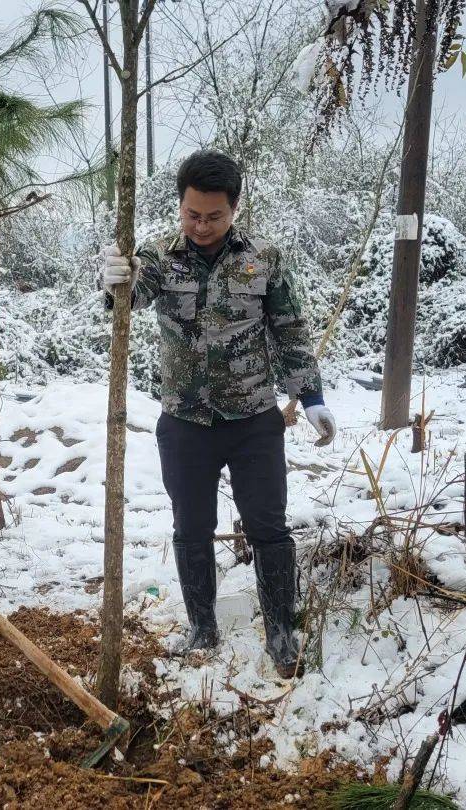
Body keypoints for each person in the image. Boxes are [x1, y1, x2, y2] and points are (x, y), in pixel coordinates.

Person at [100, 150, 336, 677]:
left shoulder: (264, 259)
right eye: (192, 214)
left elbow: (289, 331)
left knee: (268, 527)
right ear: (181, 206)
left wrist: (312, 397)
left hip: (254, 418)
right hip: (185, 421)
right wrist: (114, 280)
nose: (202, 226)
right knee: (192, 526)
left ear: (234, 208)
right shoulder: (157, 257)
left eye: (214, 216)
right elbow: (128, 300)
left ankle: (281, 630)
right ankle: (202, 627)